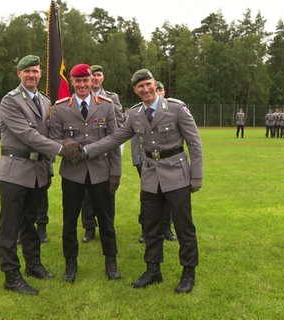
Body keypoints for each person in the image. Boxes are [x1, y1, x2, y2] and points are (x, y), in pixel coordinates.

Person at [80, 68, 203, 294]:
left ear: (155, 85)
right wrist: (87, 150)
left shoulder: (175, 108)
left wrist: (196, 175)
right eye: (140, 87)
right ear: (135, 91)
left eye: (148, 84)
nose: (145, 89)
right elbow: (115, 138)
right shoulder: (135, 114)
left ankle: (188, 272)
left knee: (184, 226)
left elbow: (194, 143)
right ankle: (153, 270)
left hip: (176, 174)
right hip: (150, 177)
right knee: (150, 225)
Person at [0, 54, 81, 295]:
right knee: (10, 225)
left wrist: (66, 140)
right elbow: (27, 135)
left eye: (35, 71)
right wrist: (60, 149)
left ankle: (33, 265)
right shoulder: (10, 101)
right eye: (27, 71)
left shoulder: (45, 101)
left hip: (37, 172)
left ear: (41, 73)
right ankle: (11, 275)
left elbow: (50, 132)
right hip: (15, 171)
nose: (31, 75)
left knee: (30, 223)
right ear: (19, 74)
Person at [49, 63, 122, 283]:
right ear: (72, 82)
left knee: (106, 221)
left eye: (86, 80)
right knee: (69, 221)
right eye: (78, 81)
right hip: (72, 173)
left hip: (100, 171)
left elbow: (114, 140)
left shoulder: (106, 106)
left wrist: (115, 173)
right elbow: (52, 139)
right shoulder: (61, 107)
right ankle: (70, 263)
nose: (82, 85)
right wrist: (65, 143)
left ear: (92, 81)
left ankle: (111, 261)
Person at [80, 64, 125, 243]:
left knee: (108, 192)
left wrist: (114, 145)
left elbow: (120, 122)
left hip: (107, 152)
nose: (96, 78)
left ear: (102, 78)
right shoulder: (81, 98)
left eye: (99, 75)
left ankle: (108, 225)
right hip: (87, 153)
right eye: (93, 75)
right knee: (86, 193)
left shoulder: (112, 98)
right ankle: (89, 227)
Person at [134, 80, 177, 243]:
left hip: (170, 167)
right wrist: (138, 162)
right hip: (148, 165)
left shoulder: (173, 110)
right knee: (148, 199)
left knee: (169, 199)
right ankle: (146, 230)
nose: (156, 91)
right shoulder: (137, 113)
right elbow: (133, 141)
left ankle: (167, 227)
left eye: (160, 89)